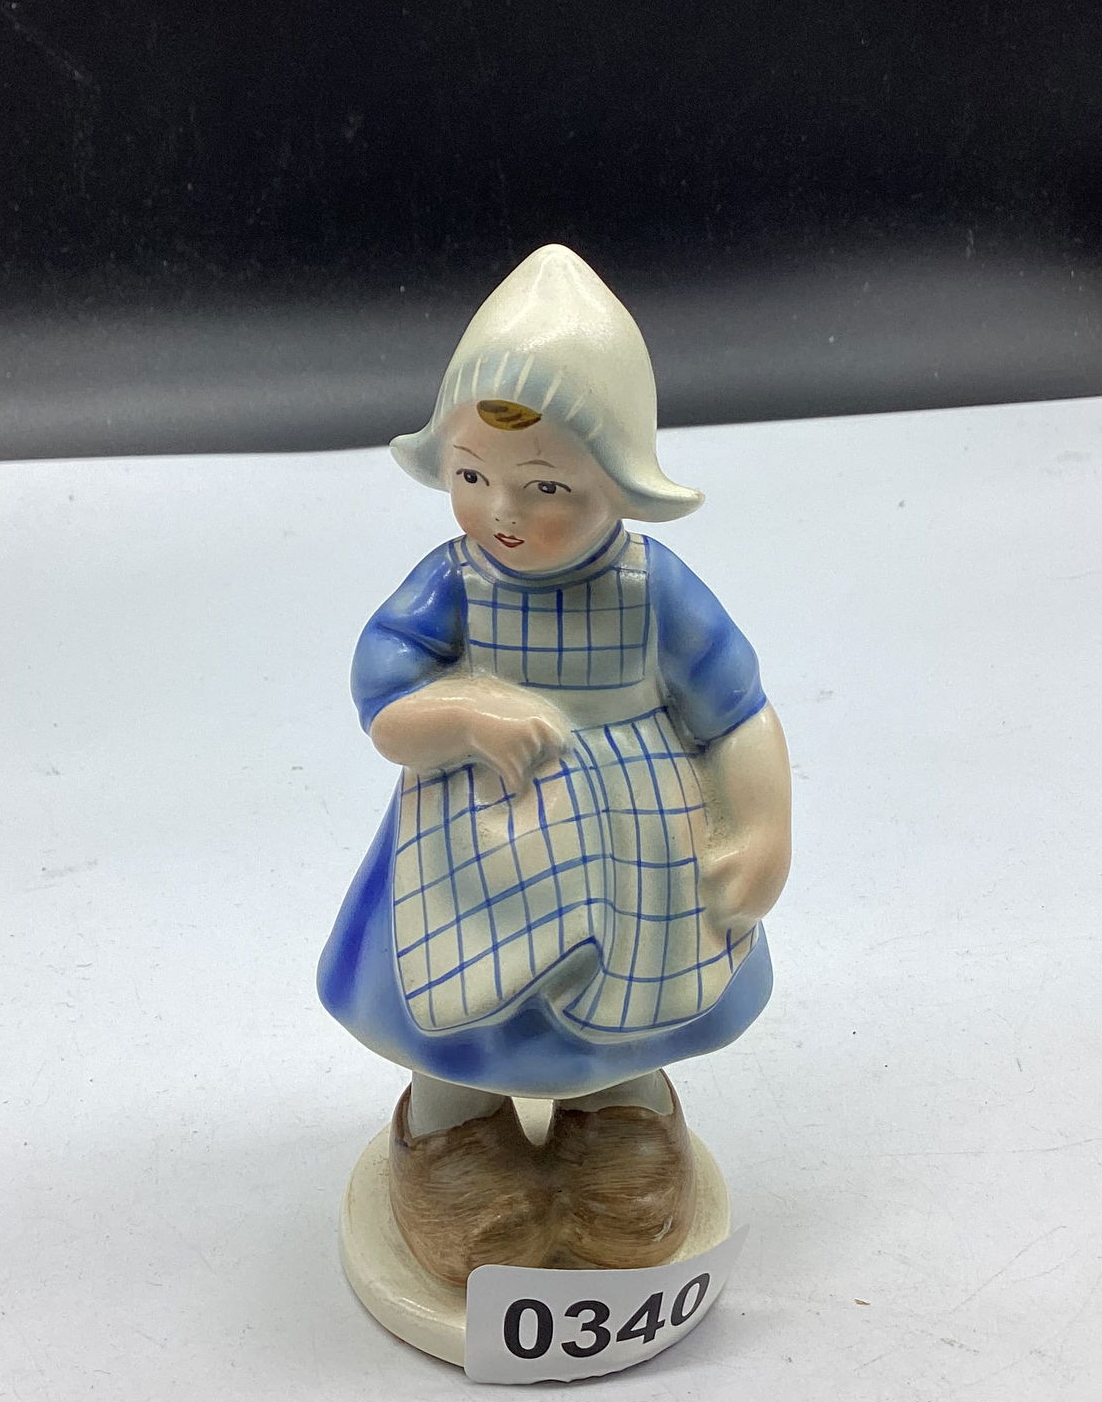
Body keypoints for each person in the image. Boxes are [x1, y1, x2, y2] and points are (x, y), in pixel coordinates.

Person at [319, 245, 791, 1284]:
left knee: (634, 1006)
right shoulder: (452, 585)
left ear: (617, 478)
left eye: (545, 485)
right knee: (455, 1013)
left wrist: (761, 827)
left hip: (635, 852)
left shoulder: (652, 589)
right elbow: (383, 703)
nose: (501, 511)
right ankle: (451, 1135)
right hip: (468, 855)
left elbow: (737, 711)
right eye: (471, 476)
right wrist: (460, 710)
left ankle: (622, 1123)